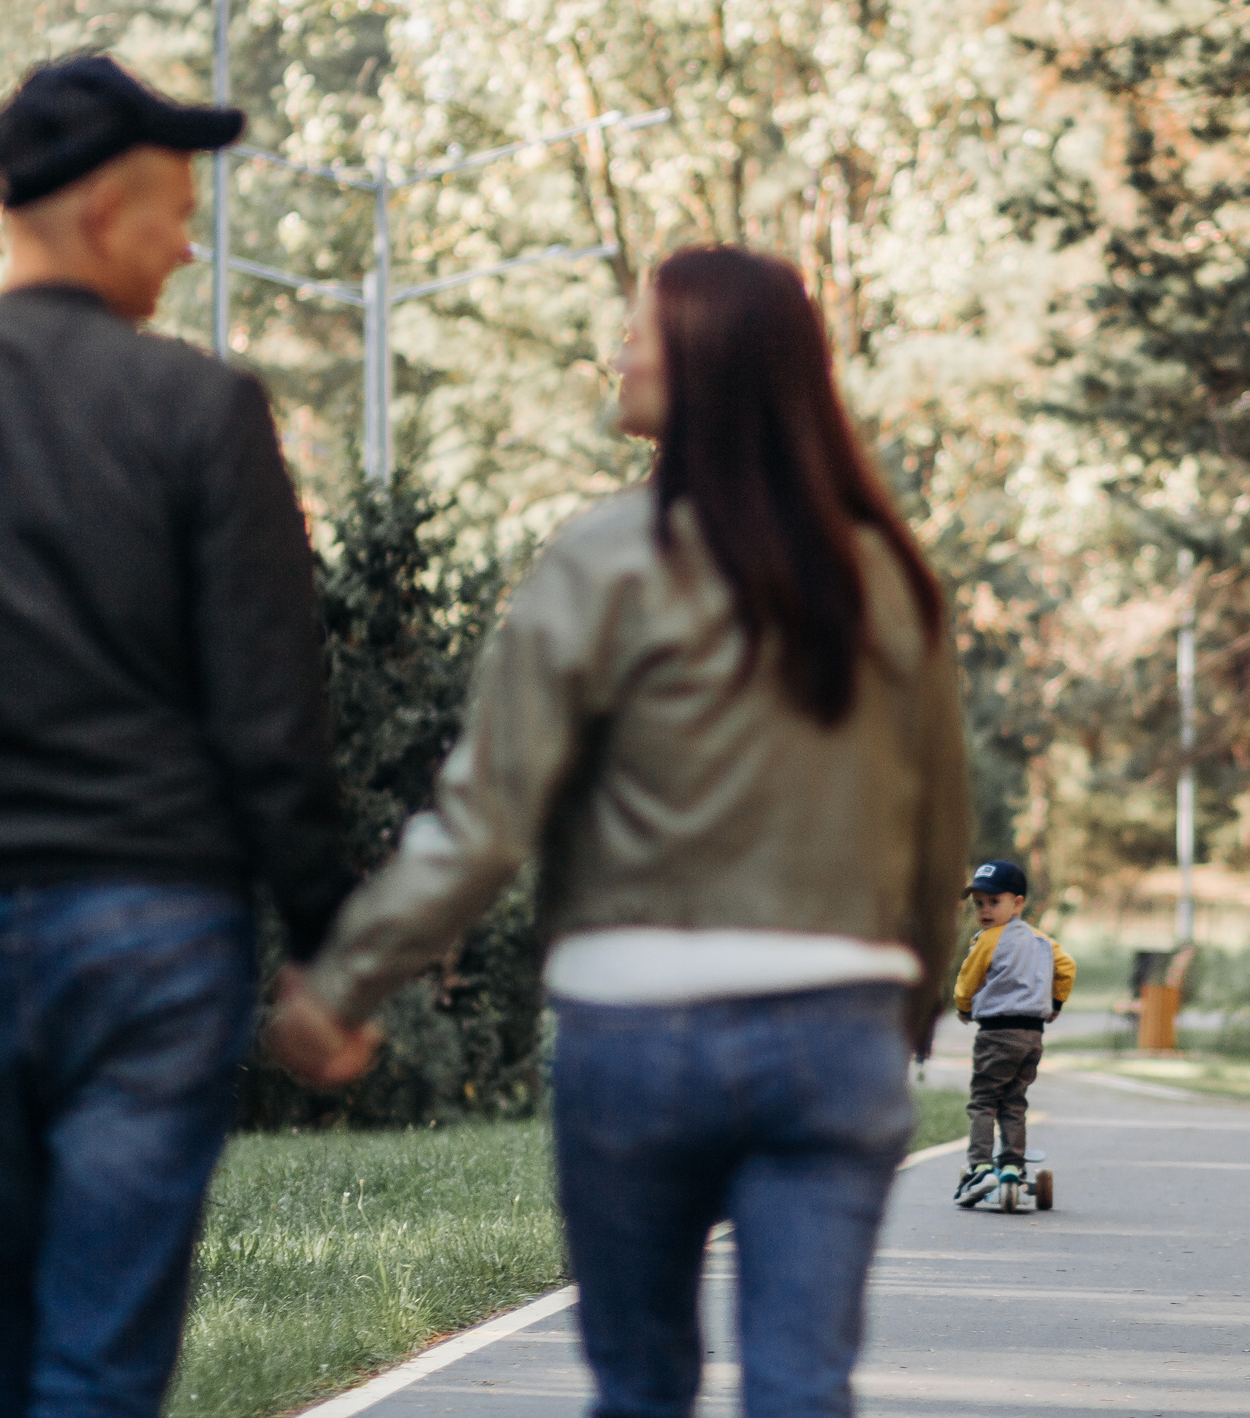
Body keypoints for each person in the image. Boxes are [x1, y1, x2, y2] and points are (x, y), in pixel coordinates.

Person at [263, 245, 975, 1418]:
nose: (619, 349)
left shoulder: (602, 557)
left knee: (640, 1388)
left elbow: (487, 820)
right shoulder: (884, 575)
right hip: (834, 1037)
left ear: (708, 363)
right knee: (804, 1386)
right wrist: (894, 1018)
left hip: (642, 1037)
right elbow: (939, 838)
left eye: (641, 329)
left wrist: (340, 986)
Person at [0, 53, 352, 1418]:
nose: (184, 241)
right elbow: (273, 713)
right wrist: (330, 942)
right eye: (171, 211)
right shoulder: (204, 414)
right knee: (97, 1364)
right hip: (156, 936)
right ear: (101, 206)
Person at [949, 858, 1075, 1207]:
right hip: (1031, 1035)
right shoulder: (1043, 941)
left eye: (994, 901)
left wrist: (963, 1006)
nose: (985, 910)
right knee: (1014, 1102)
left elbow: (968, 979)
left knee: (983, 1101)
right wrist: (1055, 1002)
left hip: (996, 1033)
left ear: (1018, 902)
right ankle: (1012, 1168)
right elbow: (1067, 968)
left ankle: (979, 1167)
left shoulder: (988, 940)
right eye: (979, 904)